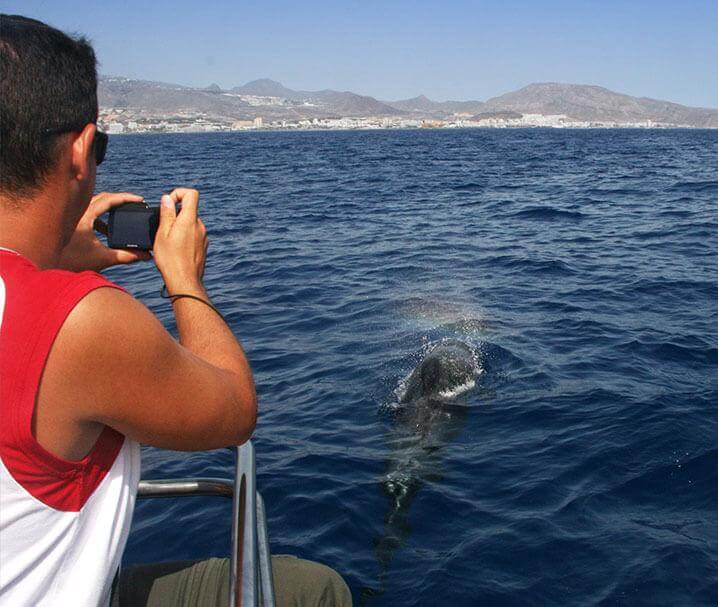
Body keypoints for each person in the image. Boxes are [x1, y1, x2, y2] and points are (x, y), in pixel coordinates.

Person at [0, 14, 352, 607]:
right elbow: (233, 411)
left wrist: (55, 255)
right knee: (316, 590)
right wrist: (184, 278)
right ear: (82, 152)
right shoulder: (75, 321)